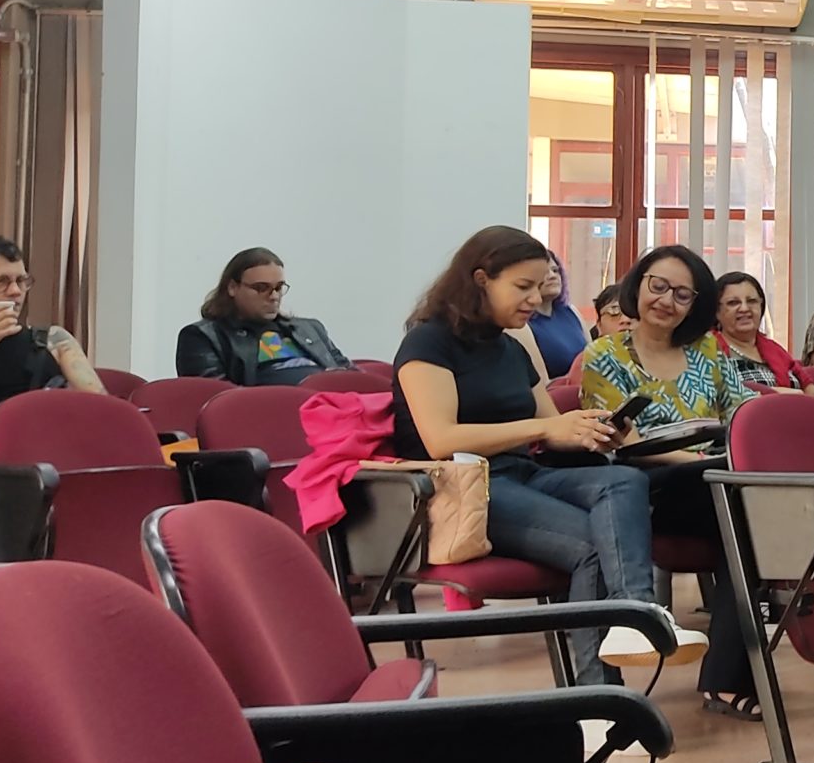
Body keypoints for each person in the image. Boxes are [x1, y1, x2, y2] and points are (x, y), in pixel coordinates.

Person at [392, 226, 700, 686]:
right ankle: (598, 692)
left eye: (540, 286)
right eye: (524, 286)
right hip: (462, 488)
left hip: (520, 472)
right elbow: (441, 440)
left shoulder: (511, 348)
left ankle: (639, 613)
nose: (536, 299)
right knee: (591, 544)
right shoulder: (428, 343)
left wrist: (589, 431)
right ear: (481, 280)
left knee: (624, 479)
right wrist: (545, 428)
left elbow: (552, 430)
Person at [577, 245, 760, 716]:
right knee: (744, 501)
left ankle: (725, 678)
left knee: (750, 524)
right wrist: (704, 459)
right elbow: (626, 443)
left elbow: (742, 411)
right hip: (648, 486)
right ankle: (729, 678)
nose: (667, 301)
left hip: (717, 482)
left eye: (682, 294)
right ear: (637, 286)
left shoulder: (706, 350)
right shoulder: (604, 355)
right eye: (658, 287)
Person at [0, 233, 105, 442]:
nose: (15, 291)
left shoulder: (52, 339)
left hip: (53, 451)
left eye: (21, 281)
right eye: (1, 281)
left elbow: (102, 411)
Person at [174, 247, 351, 386]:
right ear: (232, 288)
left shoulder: (310, 329)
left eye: (278, 288)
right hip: (271, 414)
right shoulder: (204, 336)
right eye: (261, 288)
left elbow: (351, 375)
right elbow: (217, 399)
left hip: (332, 408)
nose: (274, 296)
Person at [715, 271, 811, 393]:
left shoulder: (775, 350)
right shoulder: (708, 351)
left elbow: (809, 387)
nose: (744, 308)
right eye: (733, 303)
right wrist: (778, 394)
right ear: (717, 312)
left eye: (752, 301)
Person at [517, 254, 587, 383]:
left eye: (555, 270)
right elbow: (541, 383)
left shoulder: (572, 311)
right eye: (545, 273)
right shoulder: (522, 324)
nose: (552, 276)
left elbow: (594, 358)